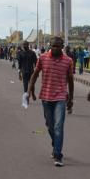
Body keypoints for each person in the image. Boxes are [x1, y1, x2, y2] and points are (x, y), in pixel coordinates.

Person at [28, 36, 74, 166]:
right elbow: (35, 74)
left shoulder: (68, 61)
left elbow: (70, 80)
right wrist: (29, 91)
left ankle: (58, 155)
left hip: (60, 97)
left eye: (58, 46)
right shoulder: (43, 58)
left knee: (58, 127)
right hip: (46, 96)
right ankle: (55, 143)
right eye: (53, 46)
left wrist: (71, 98)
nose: (55, 48)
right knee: (50, 125)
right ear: (50, 46)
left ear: (62, 47)